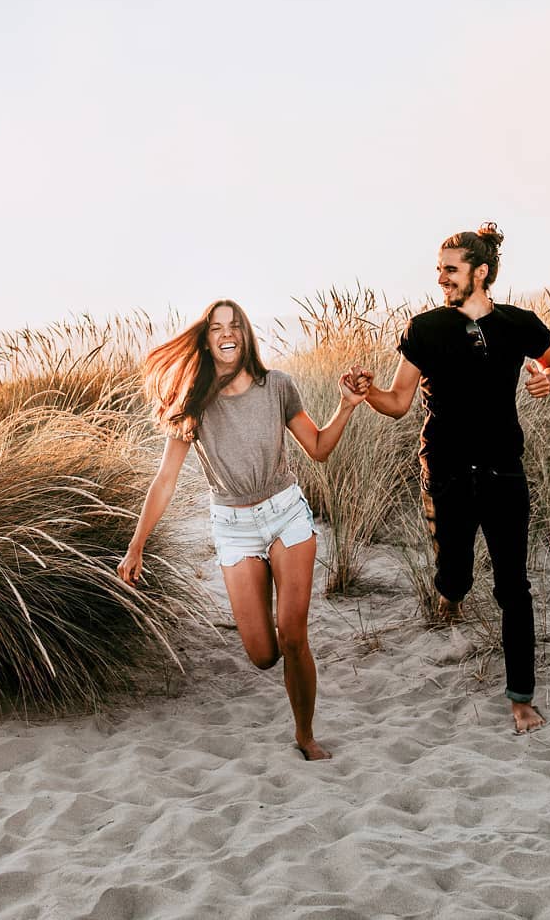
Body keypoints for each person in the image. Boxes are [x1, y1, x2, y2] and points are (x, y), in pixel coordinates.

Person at [117, 299, 366, 760]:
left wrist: (346, 406)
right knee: (262, 654)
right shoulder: (192, 402)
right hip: (233, 527)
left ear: (246, 334)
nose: (227, 333)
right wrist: (136, 546)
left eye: (234, 325)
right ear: (206, 338)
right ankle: (280, 653)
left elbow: (317, 448)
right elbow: (165, 479)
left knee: (294, 636)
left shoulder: (278, 387)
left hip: (286, 514)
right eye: (216, 328)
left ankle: (305, 735)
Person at [353, 223, 550, 734]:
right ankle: (449, 588)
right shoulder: (424, 329)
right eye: (439, 269)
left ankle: (520, 699)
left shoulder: (519, 325)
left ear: (481, 272)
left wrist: (547, 381)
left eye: (451, 268)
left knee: (514, 587)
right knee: (457, 575)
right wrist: (368, 392)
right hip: (445, 470)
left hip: (503, 470)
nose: (441, 277)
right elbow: (399, 403)